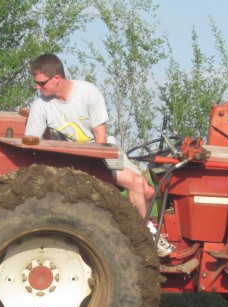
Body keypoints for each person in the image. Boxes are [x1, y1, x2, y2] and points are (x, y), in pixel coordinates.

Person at [24, 53, 175, 257]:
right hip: (72, 161)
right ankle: (146, 240)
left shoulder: (88, 92)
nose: (38, 88)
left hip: (100, 150)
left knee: (148, 192)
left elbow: (100, 136)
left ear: (57, 78)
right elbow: (32, 141)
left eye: (41, 83)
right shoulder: (41, 105)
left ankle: (134, 226)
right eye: (36, 83)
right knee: (137, 185)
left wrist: (103, 168)